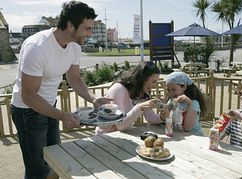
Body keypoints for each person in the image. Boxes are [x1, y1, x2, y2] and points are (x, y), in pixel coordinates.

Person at [10, 1, 110, 178]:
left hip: (50, 107)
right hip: (27, 110)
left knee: (56, 160)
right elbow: (28, 95)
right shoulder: (37, 47)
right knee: (38, 169)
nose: (90, 34)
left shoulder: (74, 46)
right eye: (87, 28)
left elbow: (75, 78)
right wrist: (62, 115)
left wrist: (93, 98)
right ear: (70, 25)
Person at [95, 61, 166, 135]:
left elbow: (150, 117)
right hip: (106, 137)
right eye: (153, 82)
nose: (154, 86)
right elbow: (120, 125)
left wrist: (162, 117)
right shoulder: (118, 90)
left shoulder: (141, 91)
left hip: (124, 134)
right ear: (142, 79)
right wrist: (139, 107)